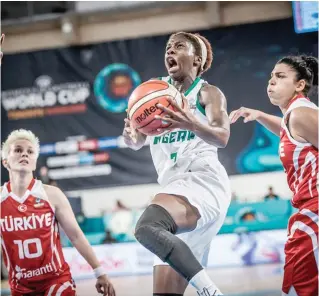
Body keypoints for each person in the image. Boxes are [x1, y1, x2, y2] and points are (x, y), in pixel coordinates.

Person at [123, 31, 231, 296]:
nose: (170, 51)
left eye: (179, 47)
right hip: (175, 189)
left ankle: (212, 293)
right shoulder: (153, 92)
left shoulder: (208, 93)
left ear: (196, 59)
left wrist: (190, 122)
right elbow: (137, 141)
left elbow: (222, 136)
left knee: (147, 227)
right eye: (168, 48)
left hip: (203, 181)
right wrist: (132, 137)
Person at [229, 55, 318, 296]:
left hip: (315, 211)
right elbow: (288, 130)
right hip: (308, 210)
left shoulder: (301, 113)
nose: (271, 81)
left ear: (299, 85)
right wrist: (259, 115)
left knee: (297, 288)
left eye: (280, 76)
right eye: (270, 76)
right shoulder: (294, 117)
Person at [0, 129, 116, 296]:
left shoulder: (52, 194)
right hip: (20, 287)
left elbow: (75, 235)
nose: (24, 154)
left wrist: (99, 272)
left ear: (34, 161)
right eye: (18, 150)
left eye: (30, 151)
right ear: (5, 161)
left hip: (56, 280)